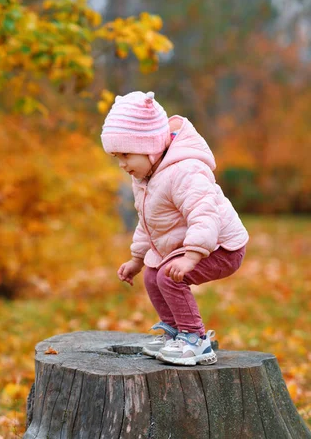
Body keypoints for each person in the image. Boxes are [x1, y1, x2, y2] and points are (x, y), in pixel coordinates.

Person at [101, 91, 248, 366]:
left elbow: (204, 213)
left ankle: (195, 340)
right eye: (116, 157)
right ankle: (175, 333)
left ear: (150, 146)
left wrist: (192, 256)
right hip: (193, 244)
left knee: (169, 277)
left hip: (221, 246)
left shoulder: (185, 171)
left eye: (126, 155)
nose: (122, 165)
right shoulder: (146, 177)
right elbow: (150, 222)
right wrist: (136, 259)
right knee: (151, 274)